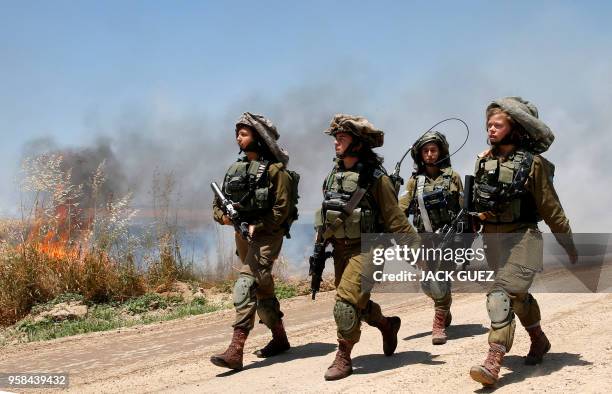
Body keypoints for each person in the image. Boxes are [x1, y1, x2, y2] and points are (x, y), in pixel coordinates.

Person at [468, 97, 578, 386]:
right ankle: (539, 339)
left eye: (498, 124)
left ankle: (493, 360)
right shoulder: (483, 160)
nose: (491, 129)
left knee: (500, 295)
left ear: (514, 127)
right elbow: (473, 204)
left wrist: (567, 241)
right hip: (492, 238)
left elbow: (550, 205)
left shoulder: (534, 164)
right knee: (517, 297)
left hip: (523, 237)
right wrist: (476, 214)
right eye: (489, 124)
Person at [314, 114, 420, 381]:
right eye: (336, 137)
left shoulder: (376, 179)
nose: (337, 142)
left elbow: (396, 219)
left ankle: (343, 355)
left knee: (346, 305)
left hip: (369, 248)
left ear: (358, 143)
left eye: (343, 137)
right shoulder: (334, 175)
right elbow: (328, 212)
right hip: (340, 249)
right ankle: (387, 325)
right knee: (357, 306)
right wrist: (320, 243)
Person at [210, 112, 296, 371]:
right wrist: (224, 219)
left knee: (245, 284)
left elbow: (282, 209)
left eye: (244, 133)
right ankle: (280, 339)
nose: (238, 137)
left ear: (258, 138)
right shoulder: (234, 169)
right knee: (263, 288)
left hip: (268, 235)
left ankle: (236, 350)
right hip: (243, 235)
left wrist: (259, 225)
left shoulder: (276, 172)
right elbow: (217, 205)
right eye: (237, 133)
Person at [398, 131, 463, 345]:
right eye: (425, 151)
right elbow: (401, 210)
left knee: (438, 280)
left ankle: (438, 324)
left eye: (433, 150)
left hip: (448, 238)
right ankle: (444, 308)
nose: (429, 154)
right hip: (424, 239)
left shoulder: (453, 177)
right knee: (428, 284)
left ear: (441, 152)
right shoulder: (414, 182)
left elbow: (464, 209)